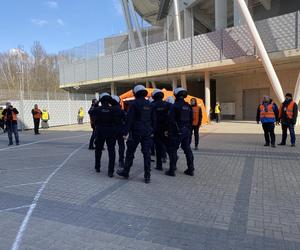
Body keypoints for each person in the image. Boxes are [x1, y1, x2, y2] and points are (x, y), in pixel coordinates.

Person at [117, 85, 154, 184]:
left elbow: (129, 120)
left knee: (130, 152)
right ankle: (147, 176)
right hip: (147, 132)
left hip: (136, 132)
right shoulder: (149, 104)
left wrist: (125, 132)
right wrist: (151, 131)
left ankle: (126, 172)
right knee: (147, 153)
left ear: (136, 93)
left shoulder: (134, 104)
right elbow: (153, 119)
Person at [165, 87, 194, 177]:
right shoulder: (188, 106)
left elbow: (170, 120)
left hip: (176, 132)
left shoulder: (175, 106)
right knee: (187, 149)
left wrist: (168, 131)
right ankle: (191, 169)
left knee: (173, 150)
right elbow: (191, 119)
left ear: (176, 95)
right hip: (187, 131)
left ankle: (172, 170)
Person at [89, 93, 117, 177]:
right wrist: (112, 101)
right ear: (109, 100)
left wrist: (96, 103)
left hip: (100, 131)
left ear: (101, 100)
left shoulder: (97, 109)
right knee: (111, 151)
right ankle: (111, 171)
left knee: (98, 150)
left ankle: (97, 167)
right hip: (111, 132)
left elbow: (90, 111)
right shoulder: (113, 109)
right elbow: (118, 107)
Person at [151, 89, 171, 171]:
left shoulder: (151, 105)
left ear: (154, 96)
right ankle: (173, 166)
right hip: (167, 129)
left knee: (158, 147)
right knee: (169, 147)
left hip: (156, 129)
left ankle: (159, 166)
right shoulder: (169, 104)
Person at [111, 95, 127, 168]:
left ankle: (112, 160)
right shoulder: (121, 110)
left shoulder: (110, 109)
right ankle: (121, 161)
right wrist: (125, 132)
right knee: (121, 146)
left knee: (111, 146)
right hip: (120, 130)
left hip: (112, 131)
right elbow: (125, 121)